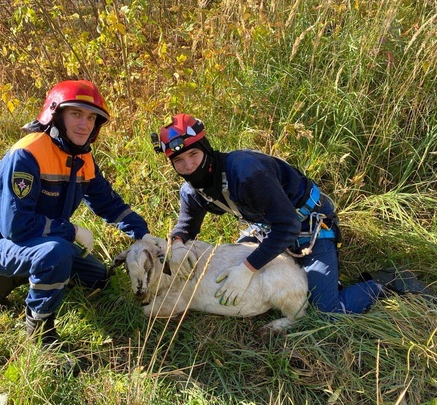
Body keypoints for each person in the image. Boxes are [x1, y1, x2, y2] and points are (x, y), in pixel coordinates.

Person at [151, 113, 431, 315]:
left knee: (326, 310)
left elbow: (286, 227)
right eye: (179, 161)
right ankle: (316, 277)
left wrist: (247, 269)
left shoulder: (245, 172)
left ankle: (384, 282)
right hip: (266, 230)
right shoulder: (193, 190)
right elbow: (186, 226)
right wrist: (177, 244)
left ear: (206, 150)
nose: (189, 166)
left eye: (194, 156)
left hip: (308, 227)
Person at [0, 79, 160, 349]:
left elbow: (108, 203)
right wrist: (72, 231)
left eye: (92, 117)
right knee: (55, 255)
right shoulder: (28, 154)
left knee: (98, 278)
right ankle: (40, 334)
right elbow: (16, 226)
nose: (84, 124)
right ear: (55, 114)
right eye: (76, 114)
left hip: (42, 240)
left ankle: (16, 276)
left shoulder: (82, 158)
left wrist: (143, 233)